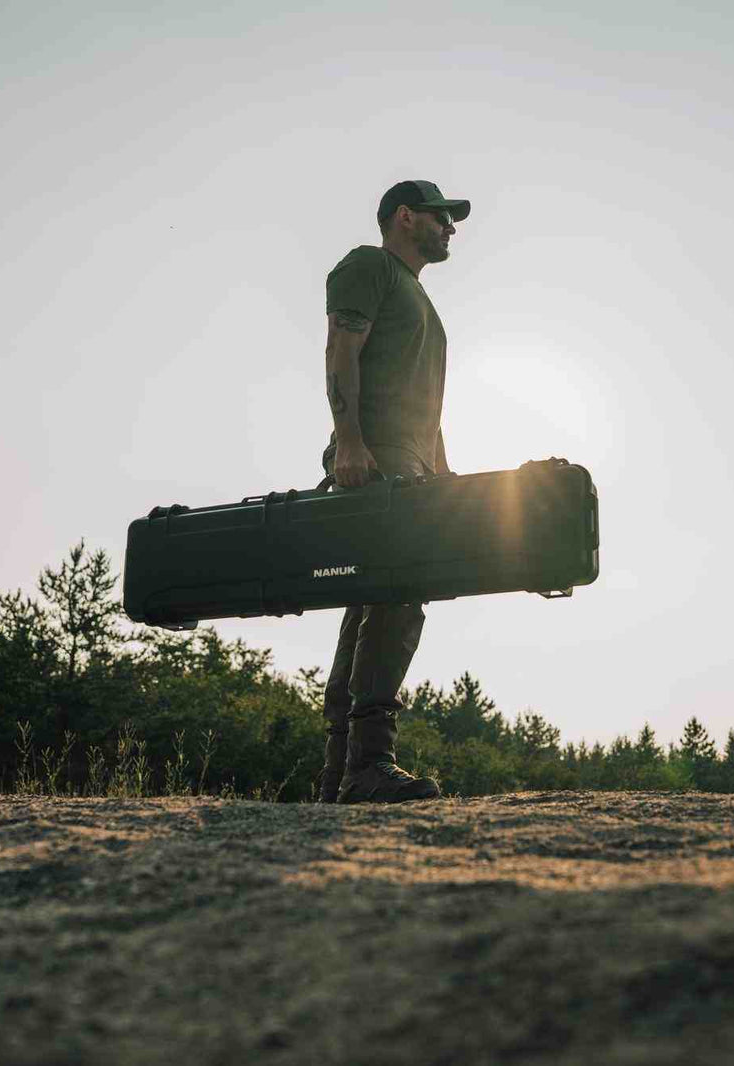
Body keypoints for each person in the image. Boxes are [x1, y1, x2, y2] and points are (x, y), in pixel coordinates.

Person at [316, 179, 470, 804]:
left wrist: (443, 475)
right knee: (398, 596)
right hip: (376, 461)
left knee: (372, 602)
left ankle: (340, 774)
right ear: (405, 216)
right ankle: (368, 765)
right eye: (440, 216)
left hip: (412, 467)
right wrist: (350, 443)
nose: (450, 228)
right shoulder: (369, 266)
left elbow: (426, 406)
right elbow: (340, 352)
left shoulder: (421, 301)